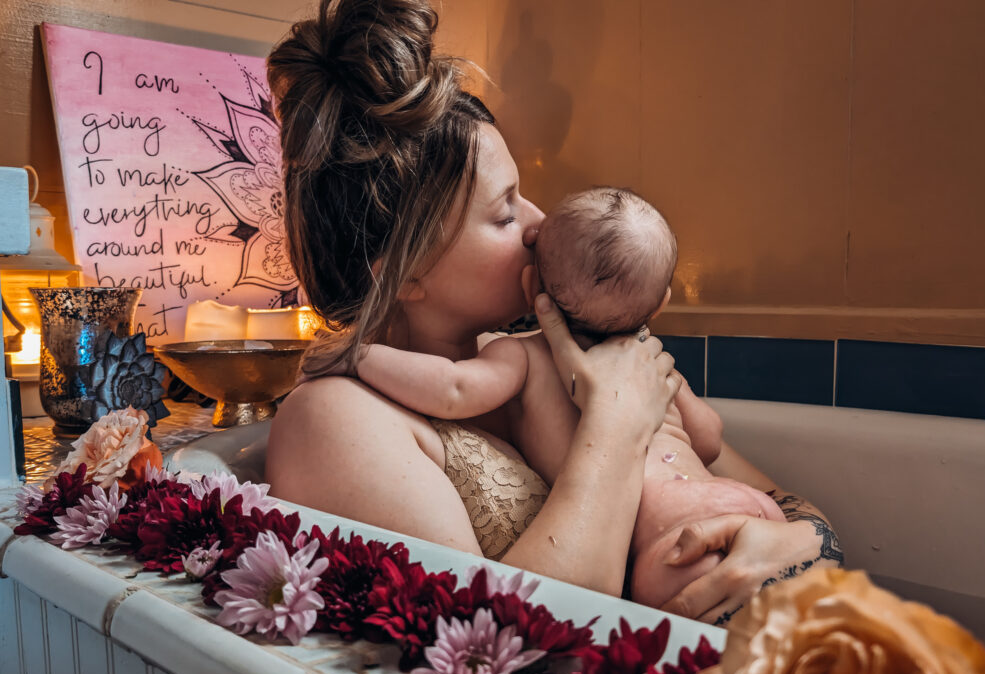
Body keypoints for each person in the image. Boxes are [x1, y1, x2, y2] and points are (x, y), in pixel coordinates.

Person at [265, 0, 842, 625]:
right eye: (506, 212)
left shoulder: (538, 358)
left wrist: (794, 546)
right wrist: (615, 426)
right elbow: (491, 641)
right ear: (407, 271)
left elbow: (785, 502)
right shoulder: (333, 418)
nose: (540, 226)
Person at [348, 186, 786, 611]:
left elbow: (452, 390)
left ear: (533, 282)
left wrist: (359, 357)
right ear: (660, 305)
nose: (533, 223)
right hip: (743, 507)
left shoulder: (522, 355)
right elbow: (707, 439)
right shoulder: (651, 365)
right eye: (506, 212)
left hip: (670, 538)